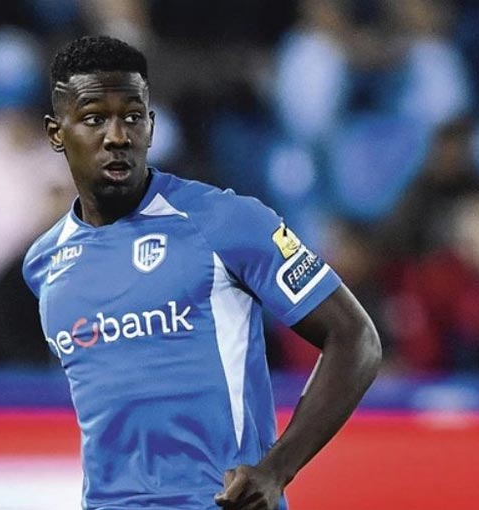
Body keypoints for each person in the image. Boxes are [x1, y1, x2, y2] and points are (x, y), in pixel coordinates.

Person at [23, 35, 381, 510]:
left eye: (132, 117)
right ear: (56, 133)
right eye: (94, 119)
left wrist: (276, 469)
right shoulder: (44, 264)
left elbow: (356, 337)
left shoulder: (226, 221)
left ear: (151, 127)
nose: (117, 136)